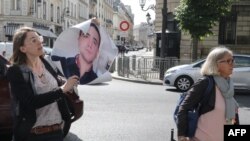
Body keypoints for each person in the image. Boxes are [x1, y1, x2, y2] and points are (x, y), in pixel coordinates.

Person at [7, 26, 79, 141]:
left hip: (57, 131)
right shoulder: (15, 71)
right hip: (33, 135)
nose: (39, 42)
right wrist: (62, 89)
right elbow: (30, 102)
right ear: (23, 48)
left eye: (39, 38)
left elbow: (58, 81)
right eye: (33, 40)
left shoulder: (45, 62)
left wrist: (67, 84)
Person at [177, 46, 239, 141]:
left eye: (232, 60)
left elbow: (233, 117)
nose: (232, 64)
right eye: (228, 61)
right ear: (215, 64)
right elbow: (183, 109)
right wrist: (181, 135)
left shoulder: (229, 85)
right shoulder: (205, 83)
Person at [51, 20, 101, 84]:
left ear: (97, 52)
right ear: (78, 39)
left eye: (94, 42)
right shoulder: (60, 63)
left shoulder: (96, 79)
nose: (90, 44)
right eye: (86, 36)